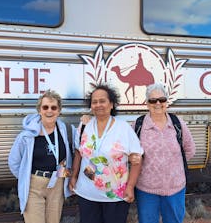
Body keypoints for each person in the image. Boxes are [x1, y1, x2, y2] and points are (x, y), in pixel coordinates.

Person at [69, 84, 144, 223]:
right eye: (94, 102)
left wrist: (130, 187)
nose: (98, 105)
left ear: (111, 104)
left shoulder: (123, 128)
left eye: (102, 101)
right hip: (87, 194)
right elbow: (78, 153)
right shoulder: (85, 125)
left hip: (115, 196)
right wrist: (73, 176)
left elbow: (137, 159)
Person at [8, 89, 73, 223]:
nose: (49, 110)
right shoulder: (27, 136)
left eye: (53, 107)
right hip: (34, 186)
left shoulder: (63, 130)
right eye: (45, 107)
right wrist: (26, 178)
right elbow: (14, 162)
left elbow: (66, 158)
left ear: (59, 111)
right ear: (39, 110)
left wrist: (64, 178)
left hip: (57, 184)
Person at [134, 83, 196, 223]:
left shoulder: (177, 123)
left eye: (161, 100)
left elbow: (190, 149)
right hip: (146, 189)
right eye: (152, 100)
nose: (157, 103)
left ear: (166, 102)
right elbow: (132, 154)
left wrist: (173, 164)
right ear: (147, 103)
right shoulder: (138, 125)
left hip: (175, 188)